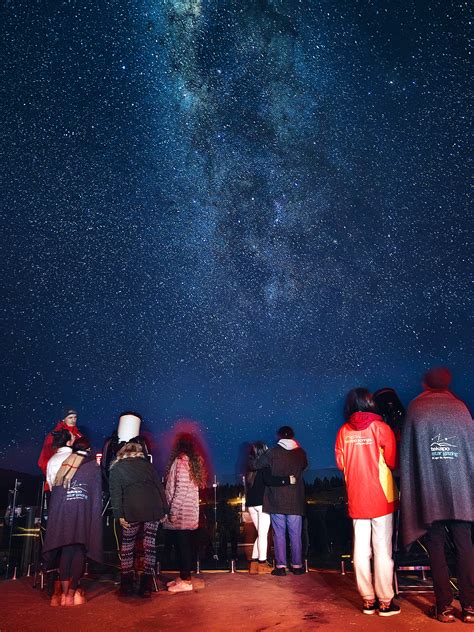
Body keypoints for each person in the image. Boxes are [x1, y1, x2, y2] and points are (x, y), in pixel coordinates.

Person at [400, 367, 474, 623]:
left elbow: (409, 453)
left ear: (426, 383)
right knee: (465, 545)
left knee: (436, 546)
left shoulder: (417, 409)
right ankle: (470, 606)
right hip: (462, 491)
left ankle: (443, 607)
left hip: (430, 492)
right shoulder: (461, 409)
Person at [335, 388, 400, 617]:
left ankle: (368, 600)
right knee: (382, 550)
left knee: (360, 551)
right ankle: (385, 601)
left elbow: (341, 464)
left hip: (357, 497)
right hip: (381, 497)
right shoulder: (382, 428)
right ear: (370, 403)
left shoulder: (343, 431)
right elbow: (391, 461)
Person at [42, 436, 102, 607]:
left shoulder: (64, 465)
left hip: (64, 515)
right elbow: (96, 494)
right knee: (79, 551)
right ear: (88, 450)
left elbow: (55, 492)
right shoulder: (92, 466)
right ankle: (71, 594)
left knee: (67, 551)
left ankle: (62, 595)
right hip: (82, 513)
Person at [109, 440, 168, 598]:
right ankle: (146, 586)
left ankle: (127, 585)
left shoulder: (117, 468)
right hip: (153, 508)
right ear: (139, 452)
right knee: (149, 546)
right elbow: (159, 487)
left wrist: (119, 515)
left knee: (127, 546)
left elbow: (116, 494)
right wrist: (165, 510)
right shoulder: (147, 465)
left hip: (131, 509)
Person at [253, 426, 307, 576]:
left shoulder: (272, 452)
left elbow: (257, 465)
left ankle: (281, 566)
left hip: (276, 499)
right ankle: (297, 565)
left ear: (279, 437)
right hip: (295, 498)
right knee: (296, 533)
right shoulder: (300, 452)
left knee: (279, 534)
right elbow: (305, 466)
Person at [163, 432, 207, 593]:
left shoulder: (181, 462)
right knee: (184, 547)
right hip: (188, 513)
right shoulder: (190, 462)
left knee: (183, 548)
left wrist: (172, 512)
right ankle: (183, 577)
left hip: (181, 515)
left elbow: (180, 490)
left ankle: (186, 581)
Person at [246, 441, 296, 574]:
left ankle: (254, 563)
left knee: (260, 534)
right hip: (262, 504)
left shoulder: (250, 468)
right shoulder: (264, 465)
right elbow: (270, 481)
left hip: (251, 505)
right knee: (263, 534)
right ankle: (262, 563)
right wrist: (287, 480)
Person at [38, 409, 82, 487]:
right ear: (63, 419)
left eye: (75, 417)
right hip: (57, 480)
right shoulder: (54, 435)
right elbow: (43, 460)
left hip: (76, 480)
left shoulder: (79, 435)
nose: (73, 420)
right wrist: (53, 477)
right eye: (70, 417)